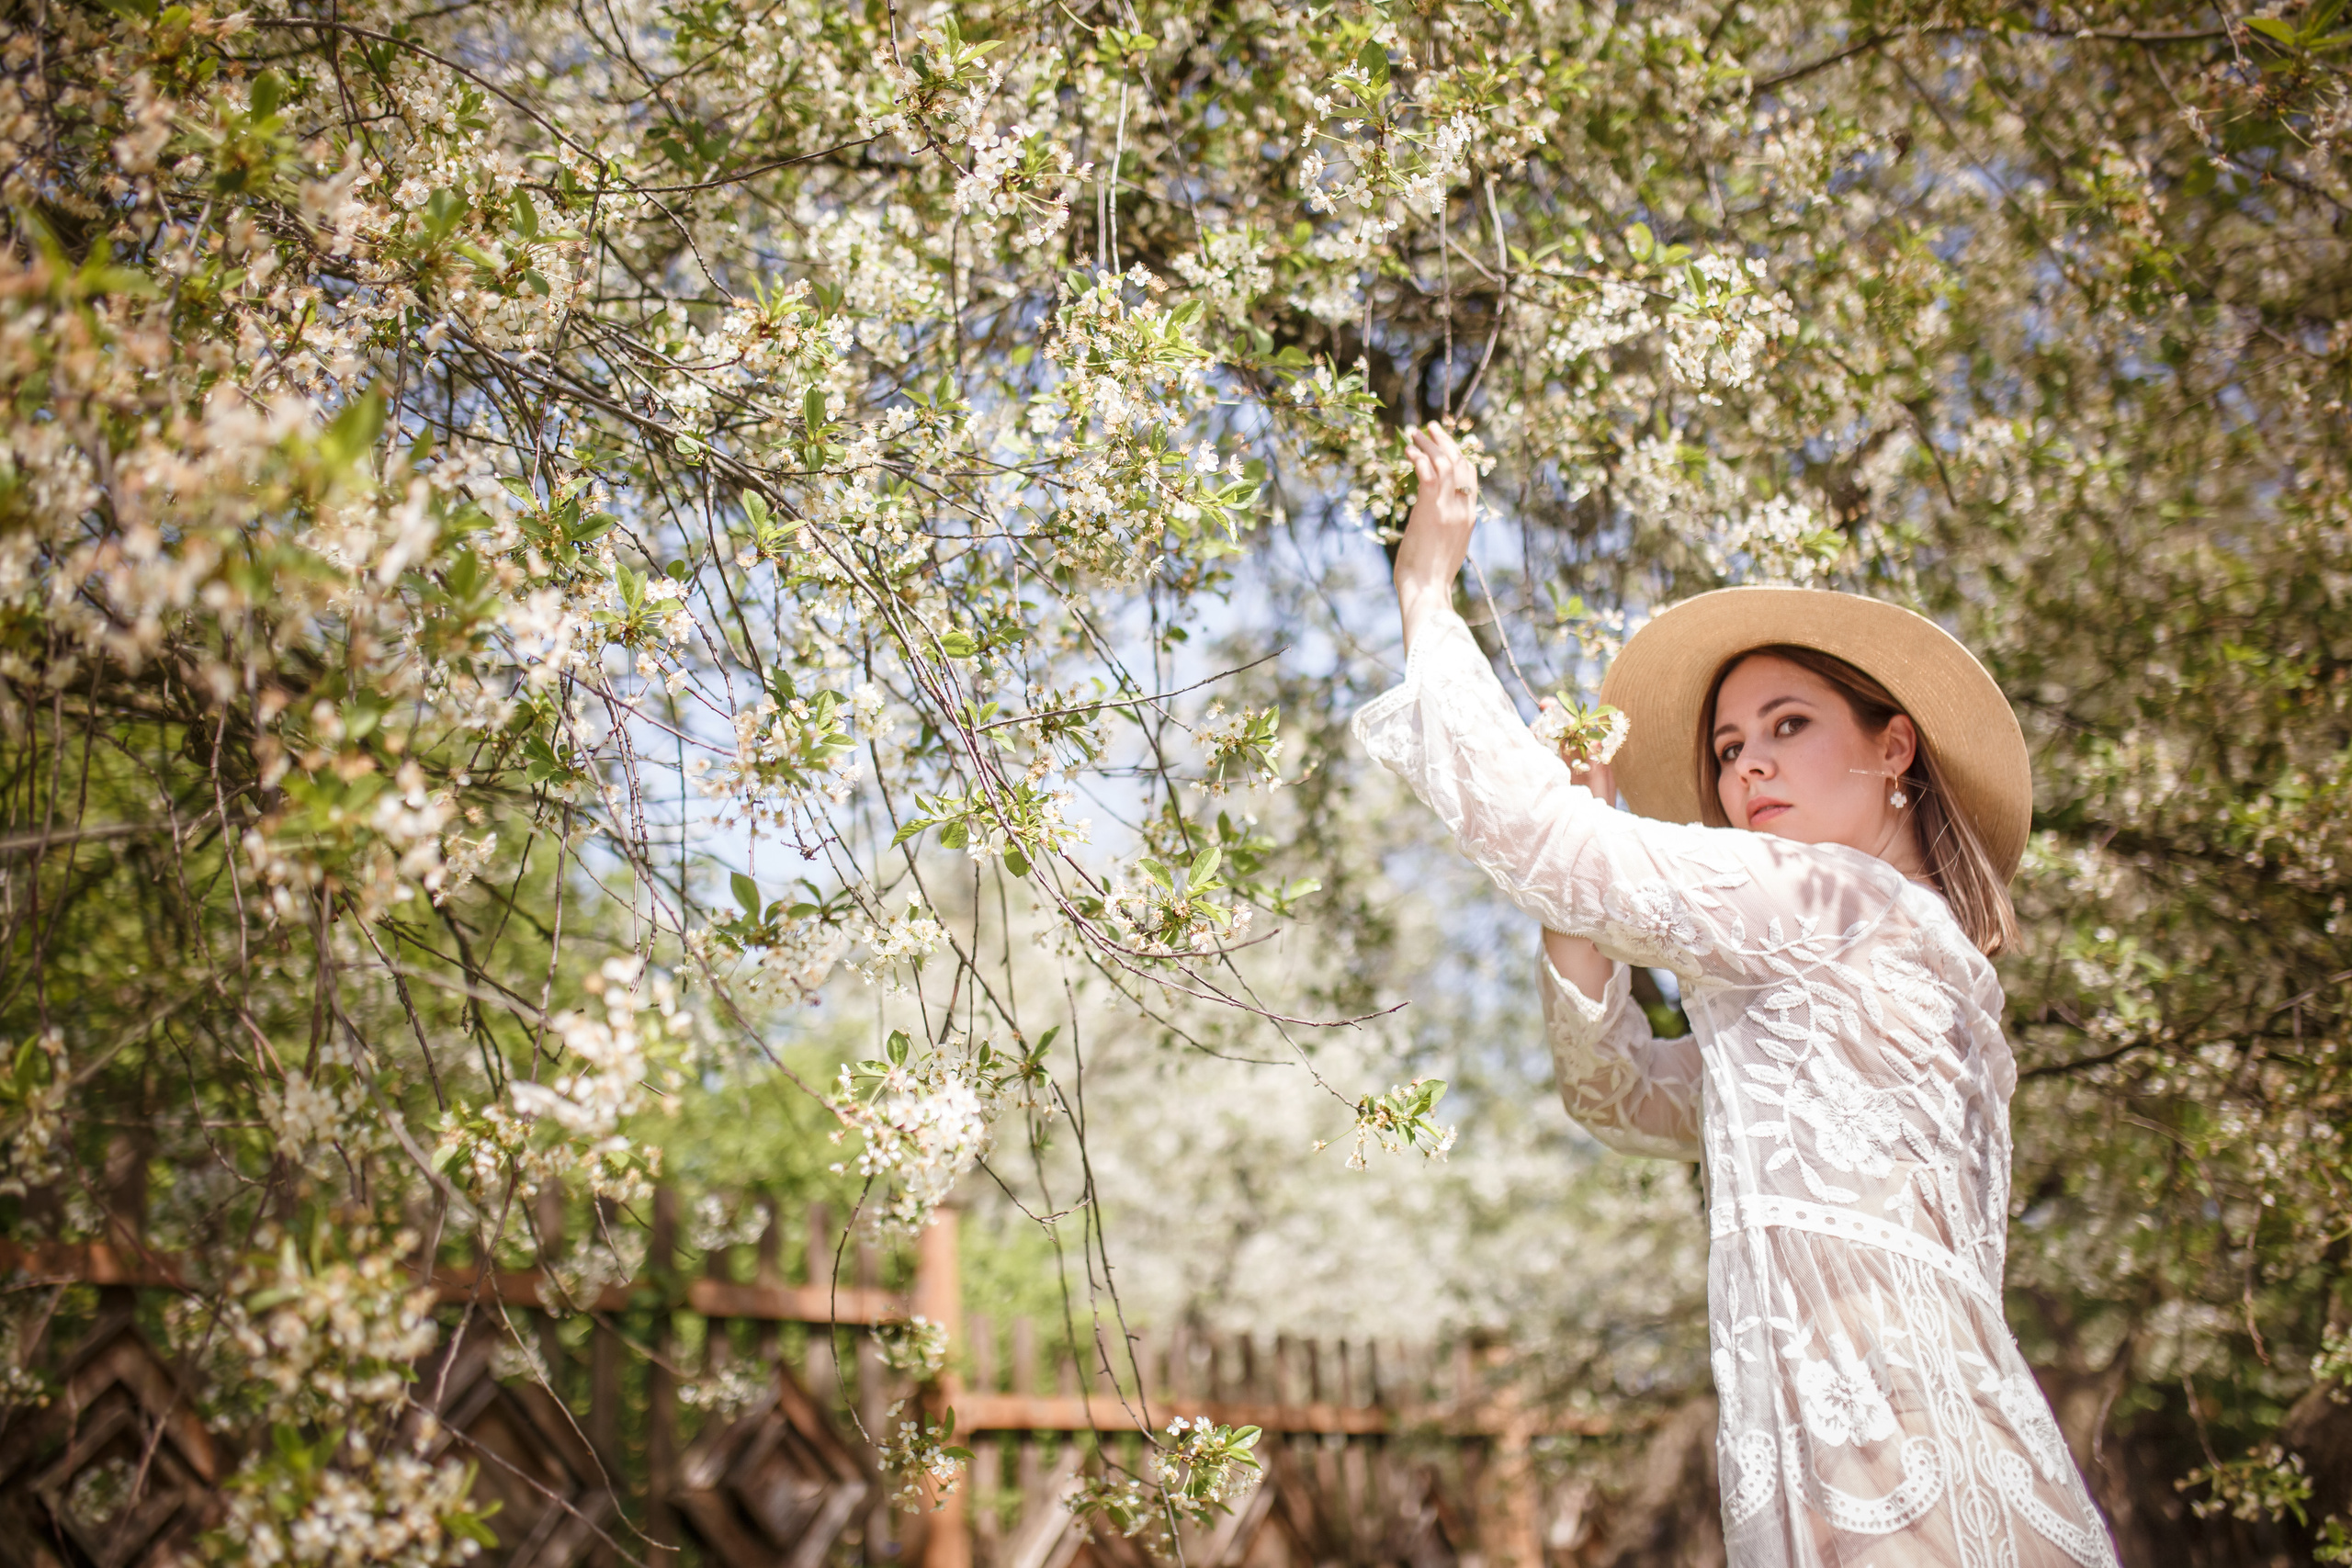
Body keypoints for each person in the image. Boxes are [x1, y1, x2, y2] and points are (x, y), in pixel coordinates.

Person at [1354, 424, 2121, 1567]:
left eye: (1788, 726)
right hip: (1878, 1447)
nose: (1743, 765)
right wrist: (1581, 891)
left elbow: (1539, 839)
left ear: (1893, 746)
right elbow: (1623, 1099)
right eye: (1725, 747)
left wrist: (1425, 589)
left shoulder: (1835, 903)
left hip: (1892, 1460)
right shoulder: (1884, 963)